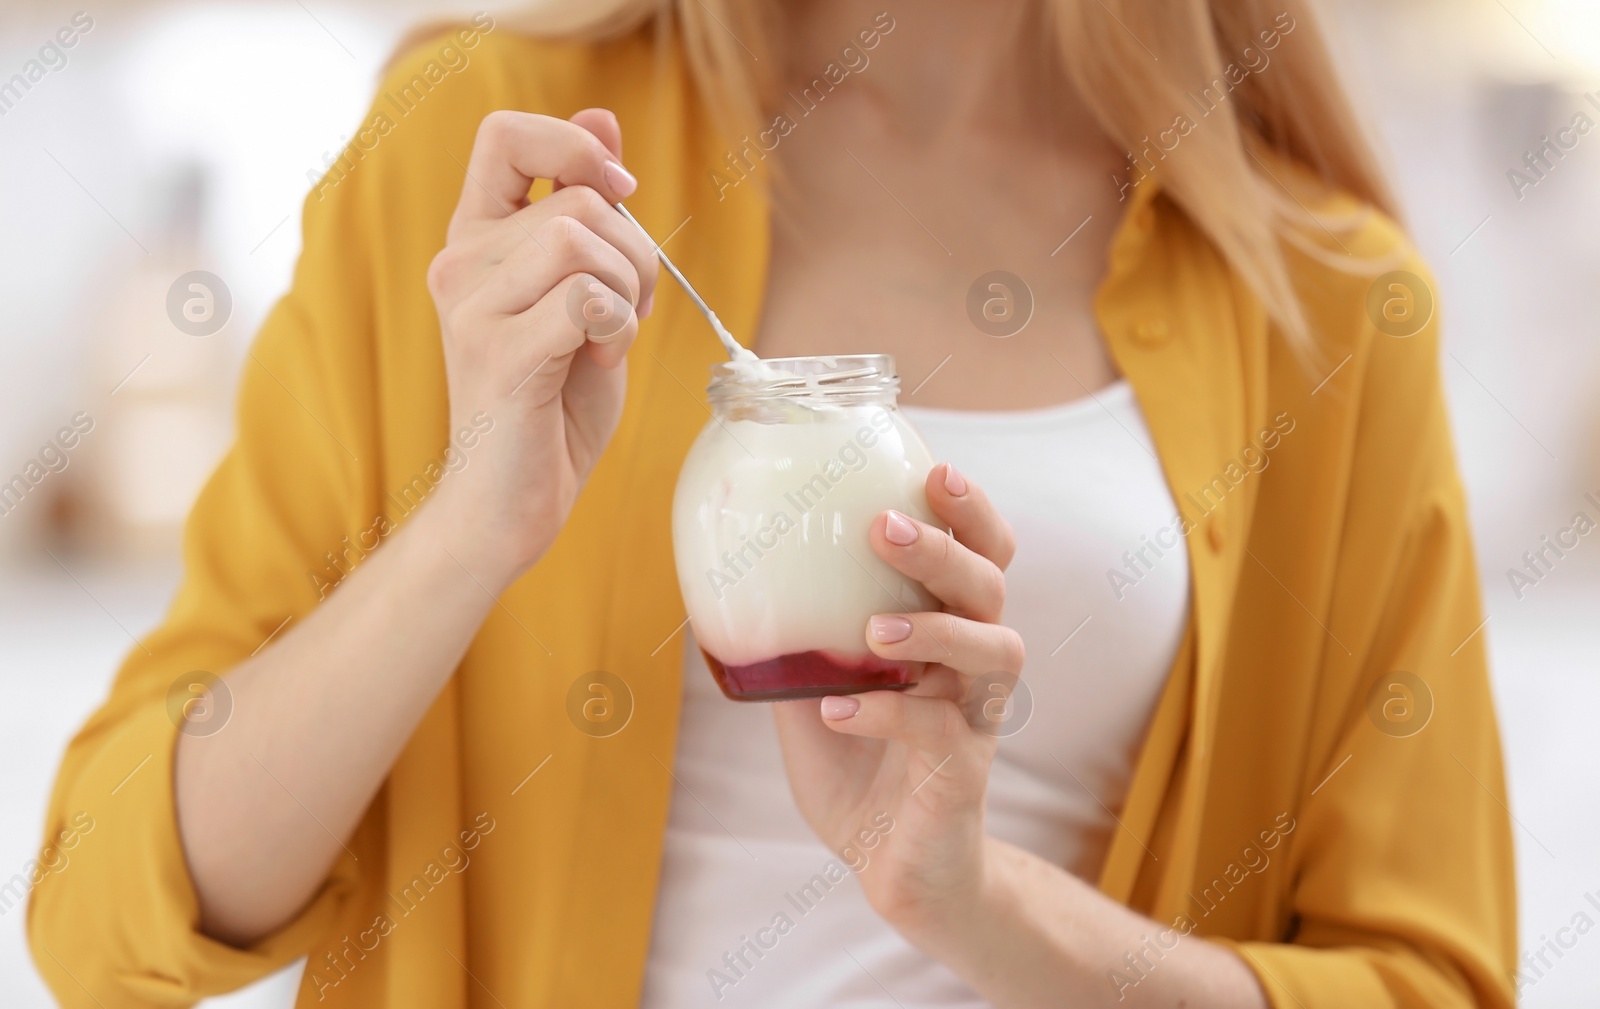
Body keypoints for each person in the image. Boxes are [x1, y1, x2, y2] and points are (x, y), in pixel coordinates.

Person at [30, 1, 1517, 1006]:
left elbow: (1430, 976)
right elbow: (103, 914)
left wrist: (979, 902)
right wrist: (465, 537)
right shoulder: (498, 159)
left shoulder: (1323, 298)